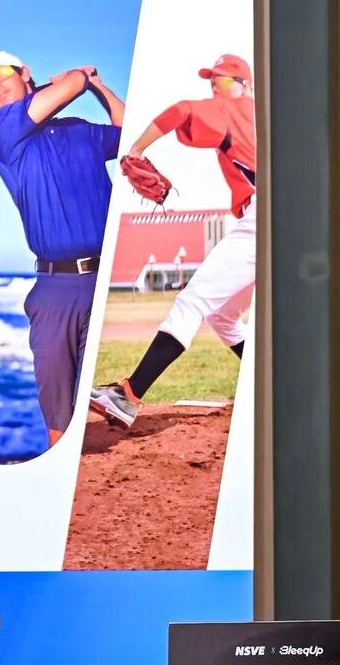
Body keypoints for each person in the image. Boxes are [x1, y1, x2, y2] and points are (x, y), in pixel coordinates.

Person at [89, 53, 256, 431]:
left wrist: (136, 149)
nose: (216, 88)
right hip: (293, 218)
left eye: (224, 81)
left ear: (245, 85)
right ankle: (270, 386)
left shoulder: (237, 109)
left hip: (264, 217)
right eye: (212, 82)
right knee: (224, 317)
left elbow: (181, 111)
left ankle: (127, 395)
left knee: (192, 302)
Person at [0, 52, 127, 444]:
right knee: (60, 417)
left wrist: (99, 86)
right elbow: (73, 83)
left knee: (88, 390)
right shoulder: (0, 128)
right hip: (56, 288)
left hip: (105, 277)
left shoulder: (78, 130)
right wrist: (80, 77)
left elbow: (127, 133)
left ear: (25, 73)